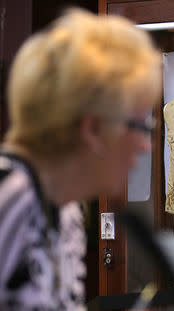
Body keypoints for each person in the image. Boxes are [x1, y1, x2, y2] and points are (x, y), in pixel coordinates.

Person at [0, 8, 161, 310]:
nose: (145, 146)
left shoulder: (67, 209)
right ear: (93, 128)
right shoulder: (9, 195)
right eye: (141, 126)